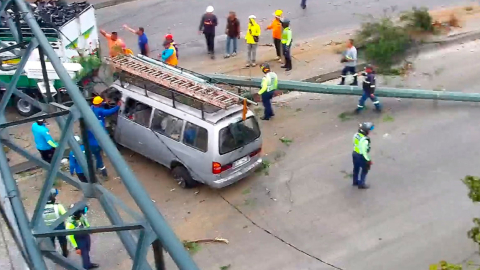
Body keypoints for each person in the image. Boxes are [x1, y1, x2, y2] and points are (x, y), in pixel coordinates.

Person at [87, 96, 120, 179]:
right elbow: (109, 112)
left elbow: (100, 105)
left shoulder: (91, 108)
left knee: (96, 156)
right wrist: (118, 106)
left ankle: (97, 169)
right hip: (97, 144)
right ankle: (104, 174)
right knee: (99, 157)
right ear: (98, 104)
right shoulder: (100, 113)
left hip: (91, 144)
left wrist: (106, 102)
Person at [66, 204, 99, 269]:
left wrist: (89, 229)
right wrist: (76, 247)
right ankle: (86, 267)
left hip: (86, 236)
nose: (82, 214)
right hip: (79, 240)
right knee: (84, 254)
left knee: (87, 251)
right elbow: (70, 237)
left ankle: (88, 264)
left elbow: (86, 223)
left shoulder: (81, 217)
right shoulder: (70, 223)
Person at [42, 188, 69, 258]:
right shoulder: (58, 206)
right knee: (63, 241)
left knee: (51, 242)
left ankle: (55, 256)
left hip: (48, 228)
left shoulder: (41, 208)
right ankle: (65, 253)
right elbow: (66, 215)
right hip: (59, 227)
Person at [352, 122, 375, 189]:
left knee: (356, 168)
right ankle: (361, 184)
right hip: (361, 156)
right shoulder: (365, 141)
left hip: (354, 154)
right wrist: (368, 160)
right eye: (369, 130)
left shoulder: (356, 135)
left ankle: (355, 181)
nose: (370, 131)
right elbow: (364, 153)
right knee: (365, 170)